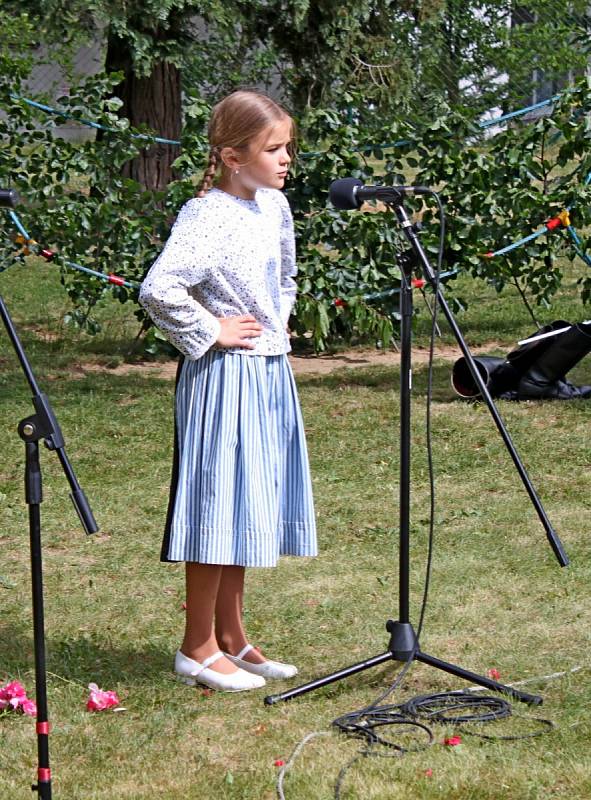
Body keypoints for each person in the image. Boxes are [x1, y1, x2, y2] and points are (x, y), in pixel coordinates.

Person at [139, 89, 317, 693]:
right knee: (218, 506)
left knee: (246, 505)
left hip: (267, 371)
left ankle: (233, 639)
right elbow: (159, 288)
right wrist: (211, 329)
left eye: (288, 145)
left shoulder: (274, 207)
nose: (287, 157)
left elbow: (286, 274)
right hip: (224, 378)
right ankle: (197, 646)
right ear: (234, 156)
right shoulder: (207, 215)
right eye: (274, 148)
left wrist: (277, 317)